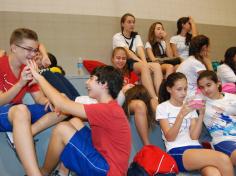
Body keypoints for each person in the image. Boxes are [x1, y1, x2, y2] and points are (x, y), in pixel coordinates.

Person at [28, 63, 132, 176]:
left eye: (91, 79)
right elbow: (66, 106)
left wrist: (39, 77)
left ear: (104, 84)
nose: (86, 82)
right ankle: (63, 172)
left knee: (62, 129)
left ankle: (43, 172)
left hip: (108, 171)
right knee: (75, 121)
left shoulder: (106, 109)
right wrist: (62, 103)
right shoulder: (109, 107)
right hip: (104, 161)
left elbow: (62, 104)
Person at [0, 28, 66, 176]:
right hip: (5, 112)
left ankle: (25, 135)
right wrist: (20, 83)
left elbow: (39, 98)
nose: (32, 55)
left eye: (34, 50)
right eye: (28, 50)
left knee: (64, 103)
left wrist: (50, 100)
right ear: (14, 48)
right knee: (21, 110)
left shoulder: (27, 68)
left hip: (17, 113)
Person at [156, 72, 234, 175]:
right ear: (169, 89)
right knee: (223, 159)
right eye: (179, 89)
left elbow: (194, 136)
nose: (183, 93)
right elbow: (170, 137)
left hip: (195, 148)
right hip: (177, 150)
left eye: (185, 89)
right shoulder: (162, 107)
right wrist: (181, 115)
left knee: (213, 173)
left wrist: (201, 114)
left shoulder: (189, 105)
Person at [112, 13, 163, 102]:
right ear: (122, 24)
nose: (132, 24)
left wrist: (144, 62)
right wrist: (143, 64)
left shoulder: (136, 36)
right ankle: (154, 97)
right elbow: (128, 52)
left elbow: (140, 50)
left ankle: (160, 95)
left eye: (133, 22)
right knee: (144, 66)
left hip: (136, 61)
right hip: (125, 62)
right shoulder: (117, 37)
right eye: (129, 22)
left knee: (157, 66)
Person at [112, 47, 155, 145]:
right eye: (118, 58)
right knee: (140, 105)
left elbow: (138, 88)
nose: (121, 61)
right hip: (118, 103)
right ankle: (147, 145)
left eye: (124, 58)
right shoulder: (110, 73)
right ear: (112, 59)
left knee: (152, 101)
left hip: (131, 99)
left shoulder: (130, 74)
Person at [197, 70, 236, 166]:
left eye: (209, 85)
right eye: (202, 87)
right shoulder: (200, 101)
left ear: (218, 83)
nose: (205, 89)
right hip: (223, 140)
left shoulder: (233, 98)